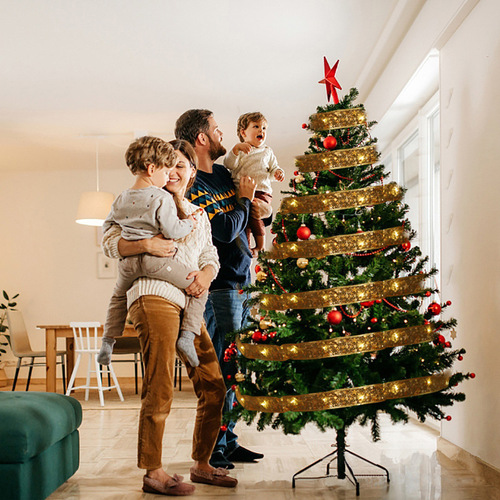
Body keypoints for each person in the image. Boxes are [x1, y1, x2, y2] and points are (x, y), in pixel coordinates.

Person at [102, 139, 237, 495]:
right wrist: (145, 245)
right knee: (159, 385)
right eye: (171, 164)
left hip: (189, 302)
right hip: (153, 295)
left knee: (213, 385)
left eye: (182, 166)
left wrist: (206, 275)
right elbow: (109, 241)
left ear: (193, 173)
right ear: (158, 168)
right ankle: (154, 472)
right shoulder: (142, 203)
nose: (175, 172)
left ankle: (202, 464)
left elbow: (210, 255)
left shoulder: (198, 214)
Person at [175, 109, 268, 470]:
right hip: (218, 289)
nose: (221, 135)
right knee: (223, 369)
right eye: (216, 129)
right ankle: (213, 449)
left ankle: (228, 441)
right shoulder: (192, 184)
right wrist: (244, 202)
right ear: (202, 138)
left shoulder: (227, 176)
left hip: (242, 282)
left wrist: (256, 205)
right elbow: (225, 231)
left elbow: (253, 214)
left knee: (237, 367)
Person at [98, 136, 204, 368]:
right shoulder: (162, 197)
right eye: (166, 170)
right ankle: (187, 337)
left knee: (117, 298)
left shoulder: (121, 198)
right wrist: (191, 224)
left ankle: (107, 341)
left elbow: (107, 228)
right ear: (151, 168)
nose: (169, 176)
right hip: (156, 264)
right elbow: (173, 230)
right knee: (198, 290)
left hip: (128, 266)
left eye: (178, 167)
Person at [224, 112, 284, 256]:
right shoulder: (240, 150)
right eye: (256, 126)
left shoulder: (267, 151)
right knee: (244, 220)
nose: (261, 131)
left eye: (264, 128)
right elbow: (229, 164)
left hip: (262, 191)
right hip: (241, 192)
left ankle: (260, 246)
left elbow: (272, 169)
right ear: (243, 132)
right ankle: (247, 247)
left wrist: (277, 173)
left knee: (255, 215)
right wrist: (235, 150)